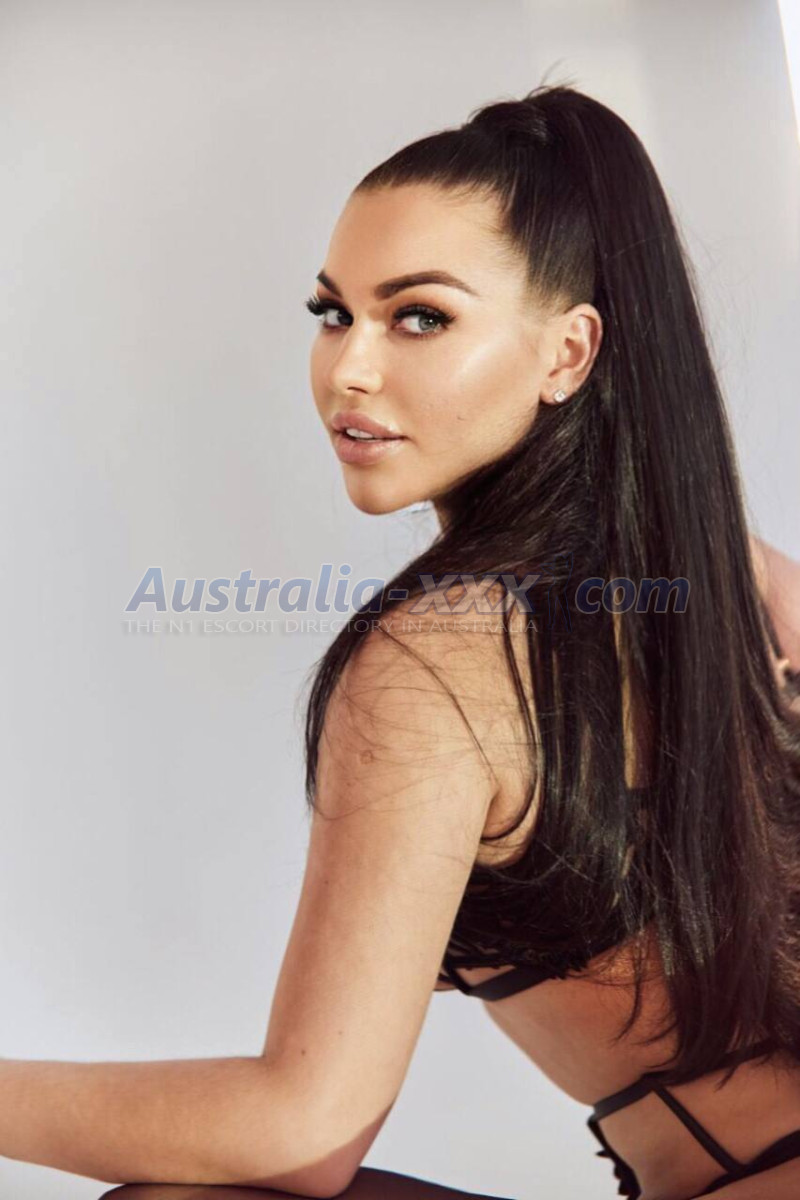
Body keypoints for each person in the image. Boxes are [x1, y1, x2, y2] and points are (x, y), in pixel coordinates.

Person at [3, 84, 800, 1200]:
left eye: (419, 317)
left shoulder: (441, 663)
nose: (349, 370)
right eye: (332, 313)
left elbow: (301, 1126)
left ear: (568, 353)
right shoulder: (742, 585)